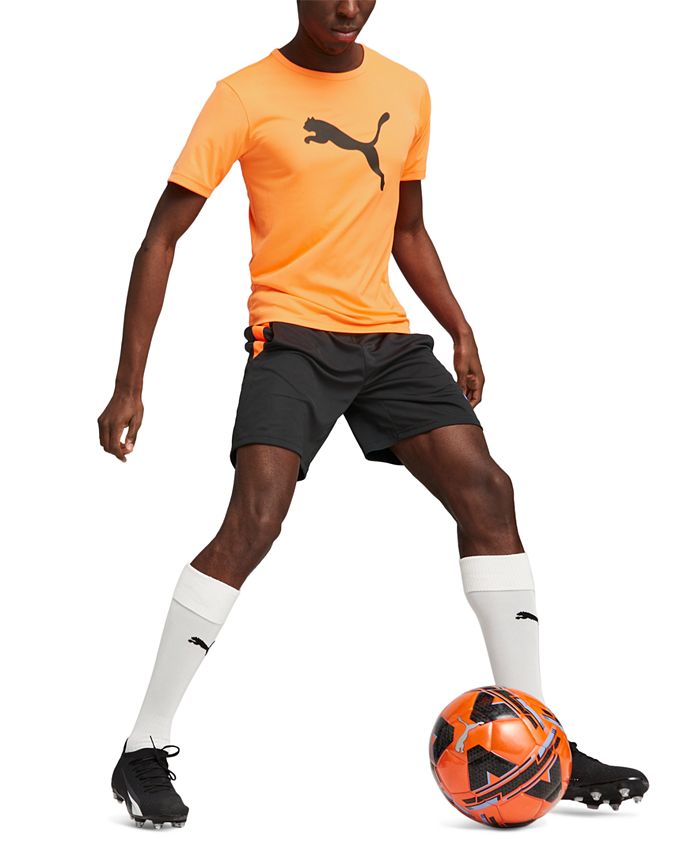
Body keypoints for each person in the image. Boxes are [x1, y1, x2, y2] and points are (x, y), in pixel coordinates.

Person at [100, 0, 648, 830]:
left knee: (489, 493)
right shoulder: (243, 96)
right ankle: (143, 744)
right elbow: (161, 238)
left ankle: (538, 744)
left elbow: (409, 228)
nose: (348, 8)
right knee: (254, 520)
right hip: (292, 336)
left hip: (386, 341)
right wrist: (129, 383)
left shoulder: (407, 90)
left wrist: (459, 325)